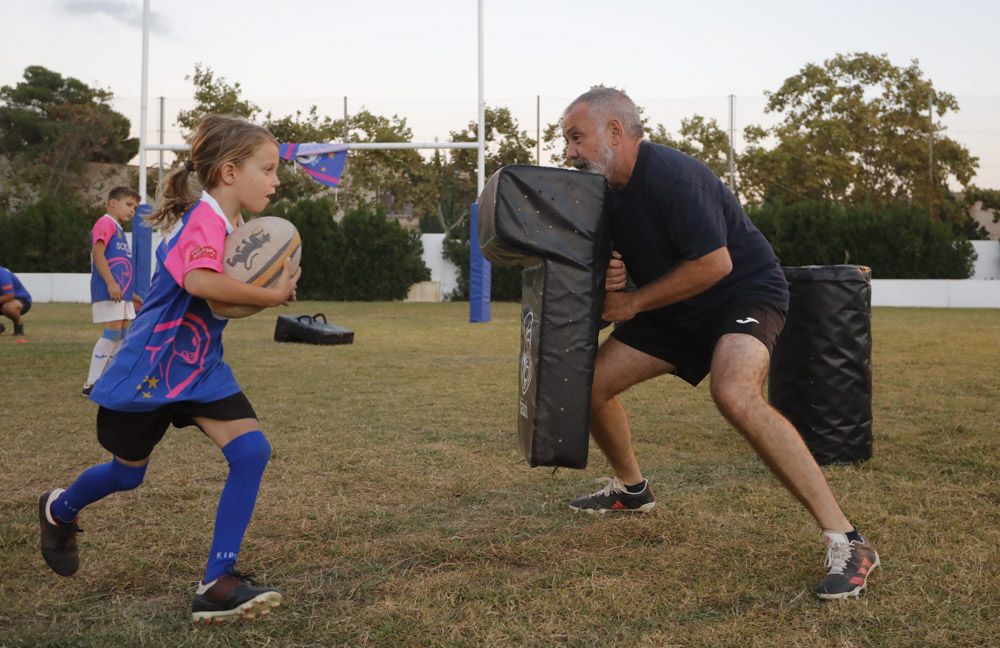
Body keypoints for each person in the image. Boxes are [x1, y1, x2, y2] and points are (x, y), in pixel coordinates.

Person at [560, 87, 879, 600]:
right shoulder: (602, 195)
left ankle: (848, 539)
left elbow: (715, 264)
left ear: (615, 132)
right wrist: (612, 279)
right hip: (673, 306)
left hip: (741, 292)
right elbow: (609, 269)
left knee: (734, 392)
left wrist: (633, 303)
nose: (570, 152)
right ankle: (632, 490)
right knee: (589, 385)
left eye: (576, 137)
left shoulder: (672, 175)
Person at [38, 114, 300, 623]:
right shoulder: (203, 222)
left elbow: (222, 307)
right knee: (126, 474)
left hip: (200, 370)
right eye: (266, 170)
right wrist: (269, 294)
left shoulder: (235, 226)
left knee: (251, 452)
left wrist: (268, 297)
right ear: (229, 172)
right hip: (150, 371)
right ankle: (59, 508)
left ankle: (217, 581)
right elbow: (202, 283)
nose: (275, 180)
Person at [83, 186, 142, 395]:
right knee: (112, 332)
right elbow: (98, 254)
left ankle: (109, 380)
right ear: (112, 203)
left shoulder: (117, 228)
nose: (132, 210)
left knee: (122, 335)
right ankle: (92, 382)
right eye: (129, 204)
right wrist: (110, 283)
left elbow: (120, 264)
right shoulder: (105, 223)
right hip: (110, 290)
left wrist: (130, 294)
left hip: (121, 293)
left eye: (135, 207)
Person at [0, 265, 32, 338]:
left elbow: (9, 296)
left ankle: (18, 324)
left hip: (18, 299)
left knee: (10, 307)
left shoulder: (2, 274)